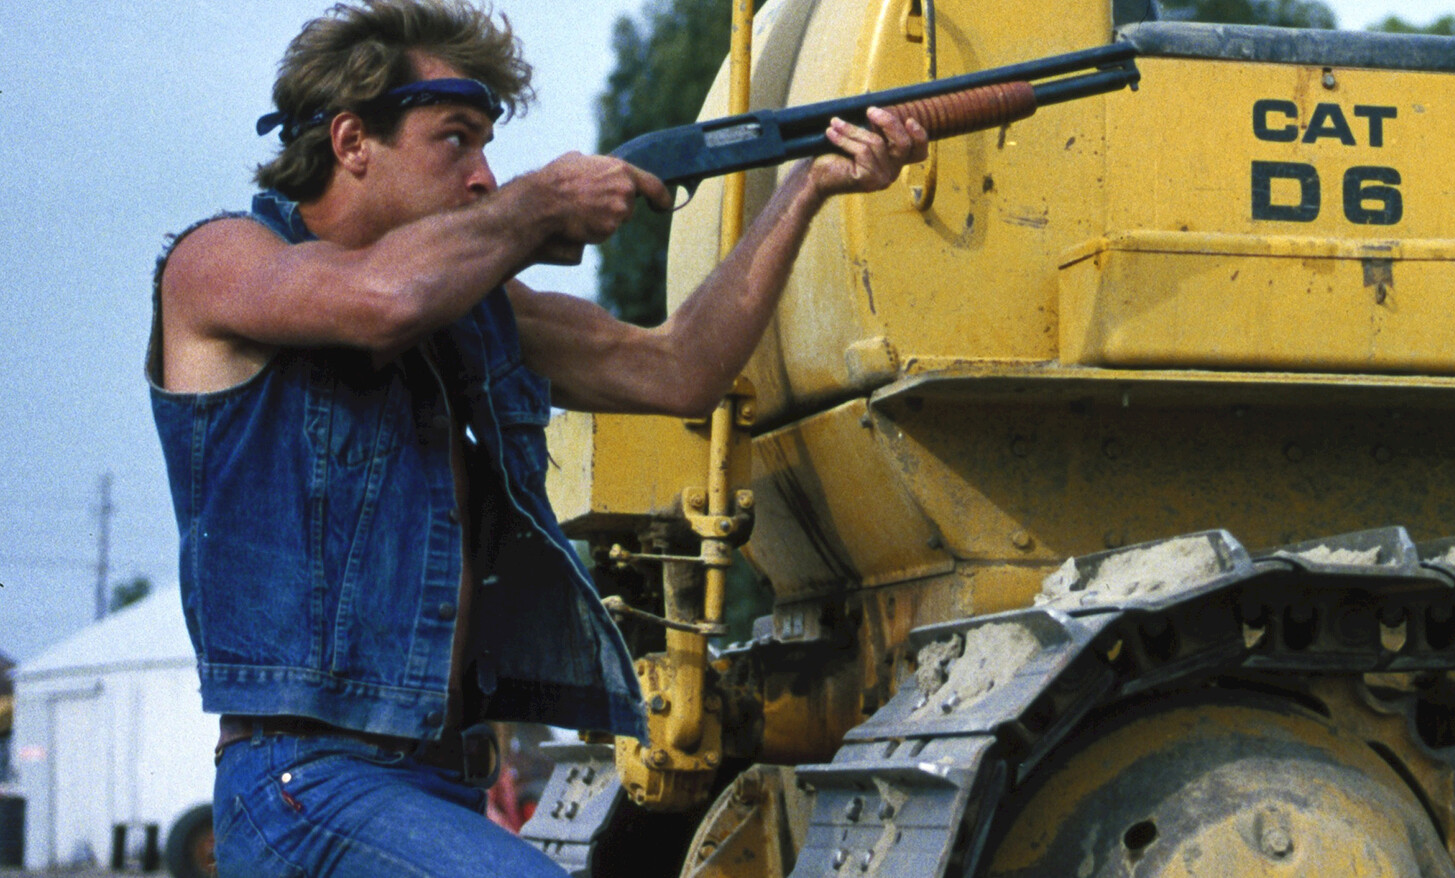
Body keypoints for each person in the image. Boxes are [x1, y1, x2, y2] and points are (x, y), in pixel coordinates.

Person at [146, 1, 927, 875]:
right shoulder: (218, 262)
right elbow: (381, 301)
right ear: (352, 141)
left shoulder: (470, 312)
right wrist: (542, 202)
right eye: (456, 140)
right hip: (308, 785)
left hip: (439, 782)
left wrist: (807, 187)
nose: (484, 177)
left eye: (489, 147)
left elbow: (680, 369)